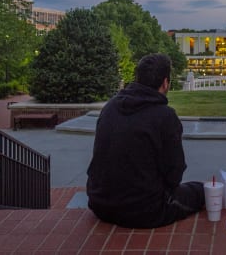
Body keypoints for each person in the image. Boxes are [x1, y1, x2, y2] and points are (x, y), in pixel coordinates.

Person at [86, 53, 205, 228]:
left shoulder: (111, 107)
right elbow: (174, 174)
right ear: (165, 82)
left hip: (100, 203)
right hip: (144, 210)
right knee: (201, 191)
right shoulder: (165, 116)